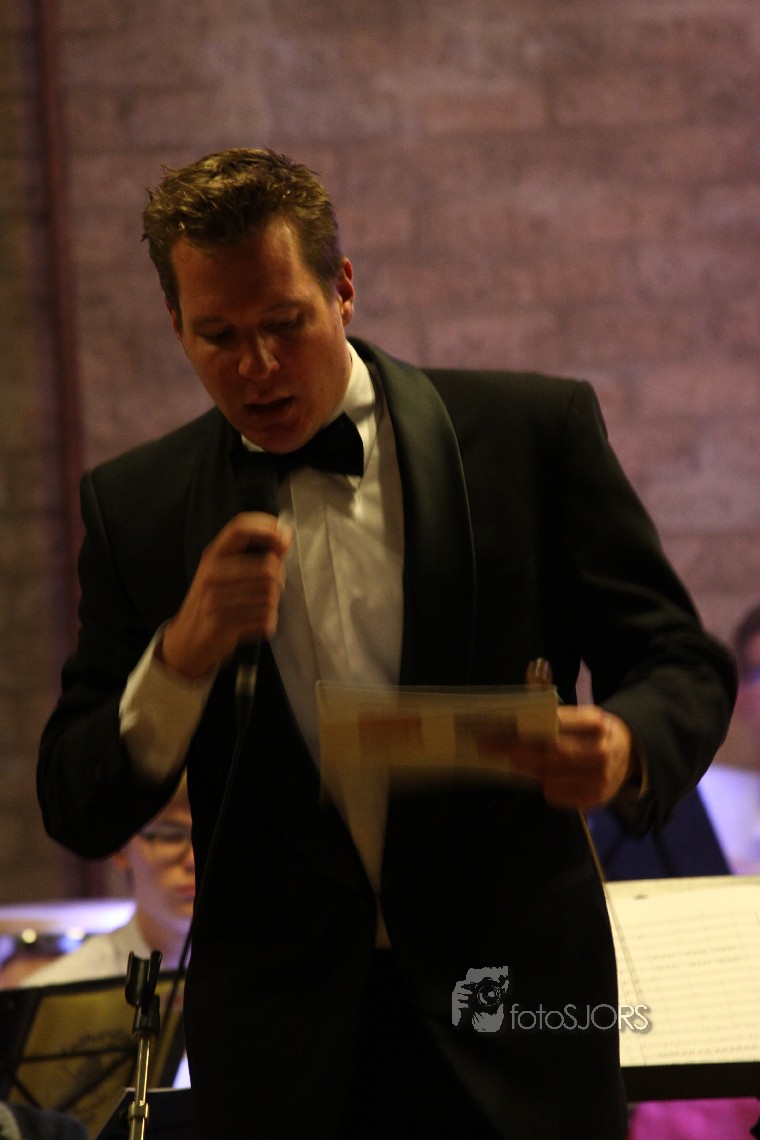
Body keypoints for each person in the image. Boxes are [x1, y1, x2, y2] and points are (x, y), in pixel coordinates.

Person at [35, 148, 736, 1140]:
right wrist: (179, 658)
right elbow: (76, 799)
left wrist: (625, 746)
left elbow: (680, 662)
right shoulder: (135, 510)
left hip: (517, 1026)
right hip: (285, 1065)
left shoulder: (529, 435)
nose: (257, 367)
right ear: (175, 324)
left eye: (285, 323)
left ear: (344, 289)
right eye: (218, 336)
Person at [22, 777, 194, 985]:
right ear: (121, 847)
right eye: (170, 836)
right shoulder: (60, 989)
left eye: (209, 836)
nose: (193, 860)